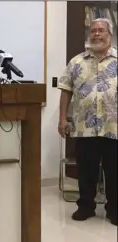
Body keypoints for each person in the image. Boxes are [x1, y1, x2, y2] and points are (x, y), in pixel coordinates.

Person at [58, 18, 117, 226]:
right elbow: (65, 90)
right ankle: (85, 206)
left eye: (101, 30)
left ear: (109, 34)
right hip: (84, 127)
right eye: (93, 31)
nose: (96, 34)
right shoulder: (76, 62)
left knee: (115, 171)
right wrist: (62, 118)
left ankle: (114, 210)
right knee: (86, 170)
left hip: (114, 127)